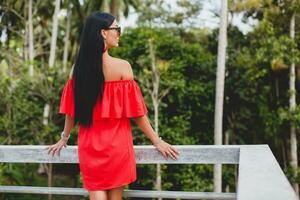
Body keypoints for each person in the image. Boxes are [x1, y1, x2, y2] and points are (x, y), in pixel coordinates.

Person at [46, 11, 180, 200]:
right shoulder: (122, 67)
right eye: (116, 28)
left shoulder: (78, 70)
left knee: (96, 192)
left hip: (90, 146)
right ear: (103, 32)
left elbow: (71, 112)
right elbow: (138, 113)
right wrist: (157, 141)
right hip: (118, 145)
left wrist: (64, 138)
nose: (119, 33)